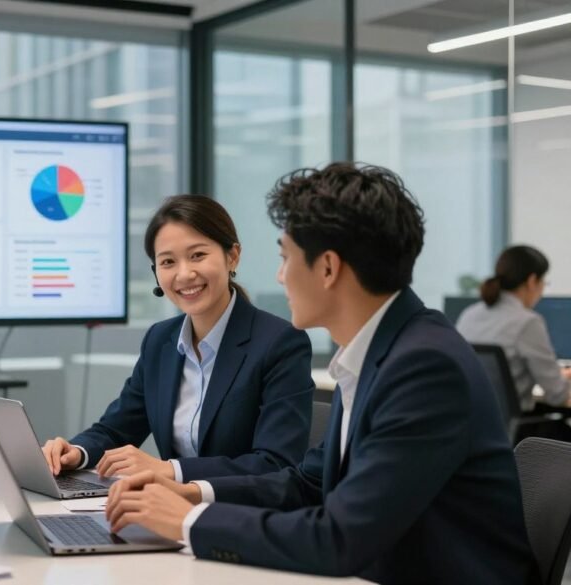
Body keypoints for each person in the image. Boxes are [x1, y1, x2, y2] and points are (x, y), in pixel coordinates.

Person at [105, 163, 537, 584]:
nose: (279, 275)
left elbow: (339, 538)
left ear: (327, 268)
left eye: (285, 257)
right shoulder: (382, 349)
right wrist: (193, 494)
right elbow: (307, 482)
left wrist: (189, 522)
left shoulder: (424, 367)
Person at [42, 194, 314, 484]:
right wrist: (77, 451)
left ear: (232, 256)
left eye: (198, 255)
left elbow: (275, 464)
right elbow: (115, 430)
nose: (184, 274)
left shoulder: (279, 343)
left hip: (243, 516)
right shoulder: (161, 340)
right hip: (170, 512)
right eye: (168, 261)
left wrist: (172, 470)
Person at [456, 245, 571, 410]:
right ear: (532, 281)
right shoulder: (527, 322)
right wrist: (560, 382)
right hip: (513, 431)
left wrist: (558, 375)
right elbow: (557, 395)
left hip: (472, 427)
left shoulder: (469, 315)